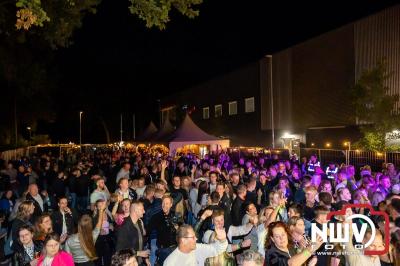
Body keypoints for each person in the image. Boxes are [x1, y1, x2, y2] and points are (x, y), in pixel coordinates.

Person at [163, 224, 228, 266]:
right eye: (193, 237)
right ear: (183, 240)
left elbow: (216, 249)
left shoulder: (197, 248)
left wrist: (222, 240)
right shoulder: (170, 262)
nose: (196, 239)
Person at [116, 201, 150, 266]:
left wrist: (145, 258)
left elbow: (140, 243)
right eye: (142, 209)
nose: (144, 211)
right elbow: (120, 250)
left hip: (140, 262)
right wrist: (138, 253)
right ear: (135, 210)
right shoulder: (124, 227)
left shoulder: (139, 223)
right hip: (130, 263)